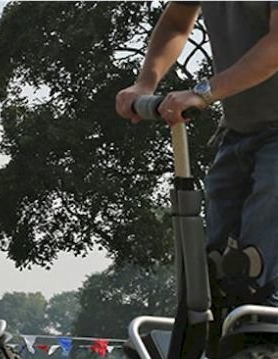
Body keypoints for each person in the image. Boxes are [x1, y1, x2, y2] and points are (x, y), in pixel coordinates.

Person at [116, 1, 278, 308]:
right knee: (216, 268)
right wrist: (145, 82)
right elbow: (177, 22)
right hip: (241, 131)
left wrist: (202, 93)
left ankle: (262, 338)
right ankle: (225, 346)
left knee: (256, 269)